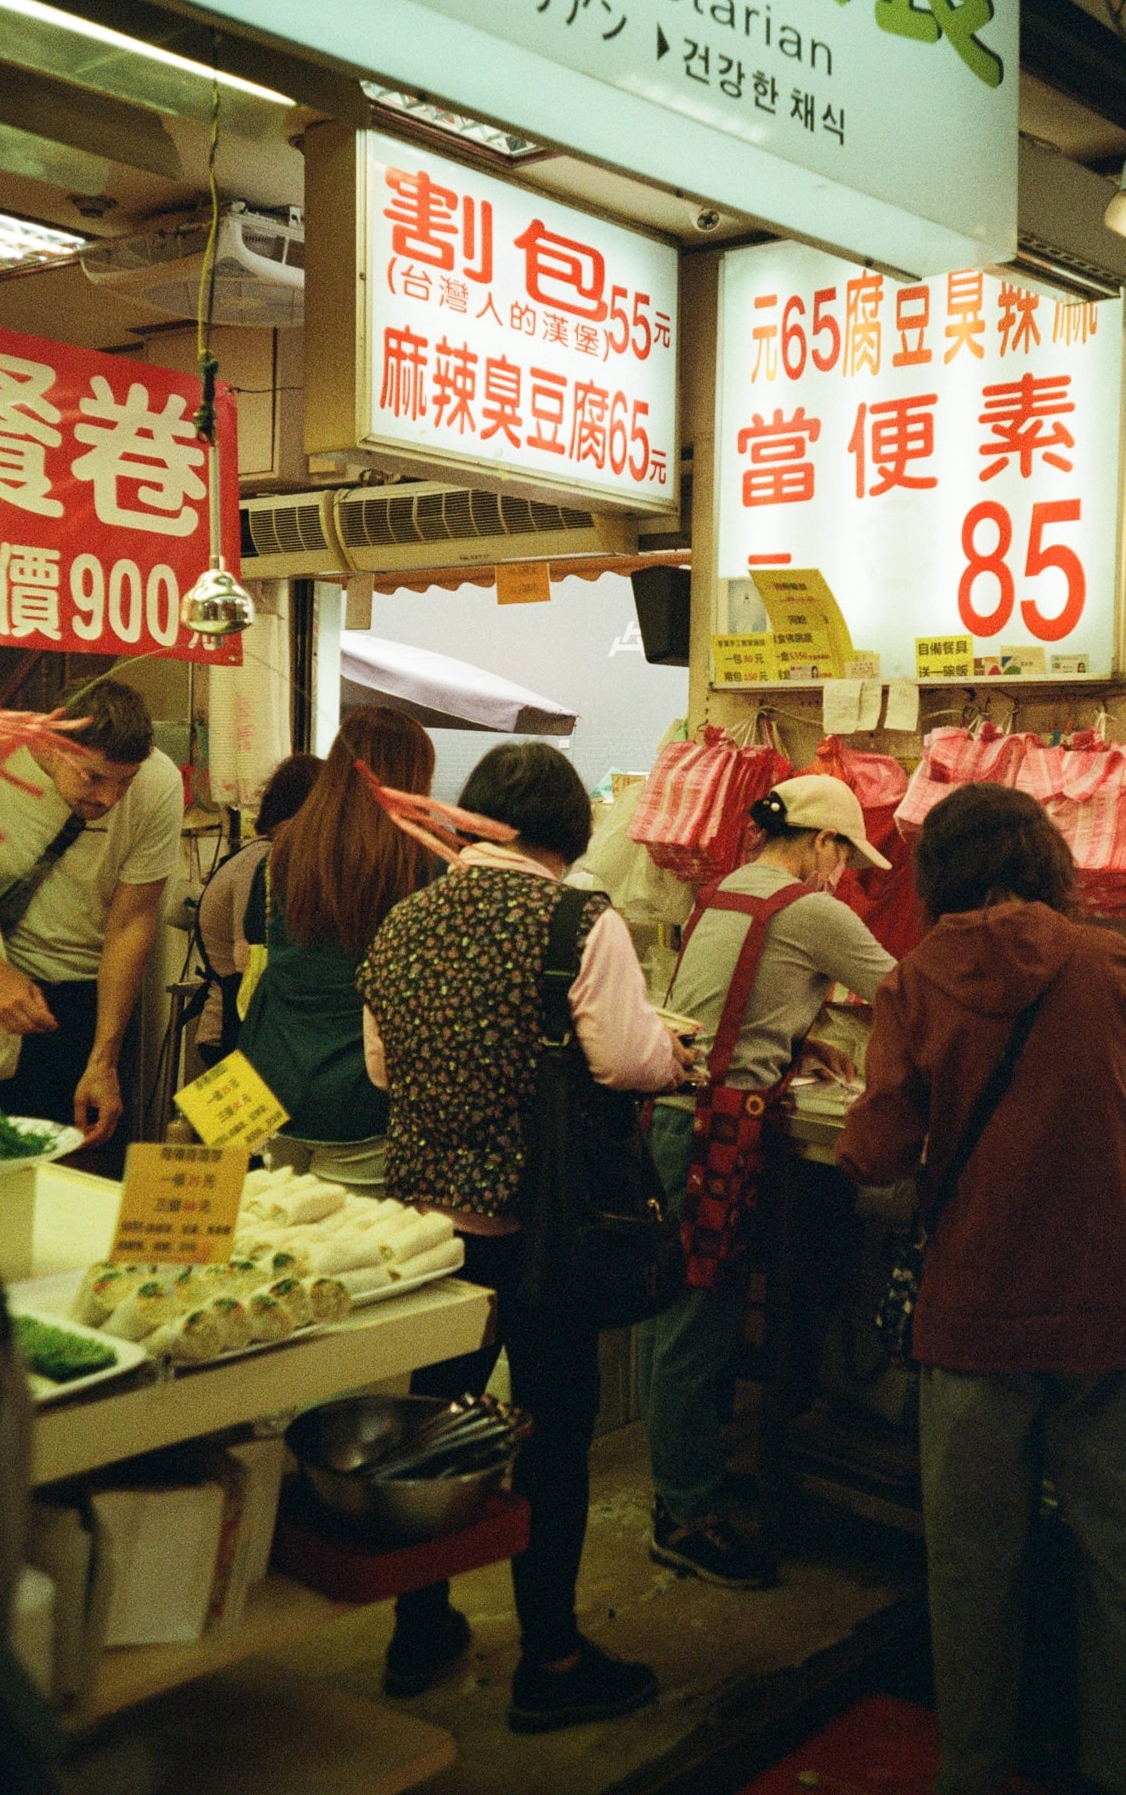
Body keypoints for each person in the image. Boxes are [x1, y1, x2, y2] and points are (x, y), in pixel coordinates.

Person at [836, 783, 1126, 1795]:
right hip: (1114, 1301)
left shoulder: (912, 980)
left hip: (973, 1306)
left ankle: (976, 1769)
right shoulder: (1108, 960)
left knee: (971, 1569)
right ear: (1042, 859)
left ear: (936, 871)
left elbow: (877, 1148)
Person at [358, 741, 693, 1731]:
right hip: (541, 1227)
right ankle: (549, 1654)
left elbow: (384, 1069)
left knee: (434, 1432)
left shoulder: (407, 915)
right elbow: (629, 1060)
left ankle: (419, 1630)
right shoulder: (577, 919)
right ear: (569, 837)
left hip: (424, 1234)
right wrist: (670, 1051)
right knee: (551, 1433)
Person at [638, 775, 895, 1590]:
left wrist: (797, 1042)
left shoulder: (723, 893)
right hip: (713, 1129)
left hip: (675, 1117)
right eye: (845, 856)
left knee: (676, 1313)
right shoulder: (811, 908)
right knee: (697, 1324)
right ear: (823, 843)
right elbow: (914, 999)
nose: (845, 873)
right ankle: (685, 1517)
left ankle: (686, 1477)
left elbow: (732, 1003)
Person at [0, 678, 183, 1172]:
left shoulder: (158, 784)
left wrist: (104, 1058)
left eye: (124, 781)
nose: (110, 798)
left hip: (85, 1000)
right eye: (93, 778)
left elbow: (130, 924)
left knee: (75, 1166)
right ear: (51, 744)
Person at [237, 710, 435, 1181]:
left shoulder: (283, 854)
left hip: (272, 1081)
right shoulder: (422, 862)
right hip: (363, 1095)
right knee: (350, 1248)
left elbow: (257, 946)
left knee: (273, 1236)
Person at [191, 753, 320, 1068]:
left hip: (246, 1027)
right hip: (232, 1032)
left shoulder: (263, 856)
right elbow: (249, 957)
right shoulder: (261, 862)